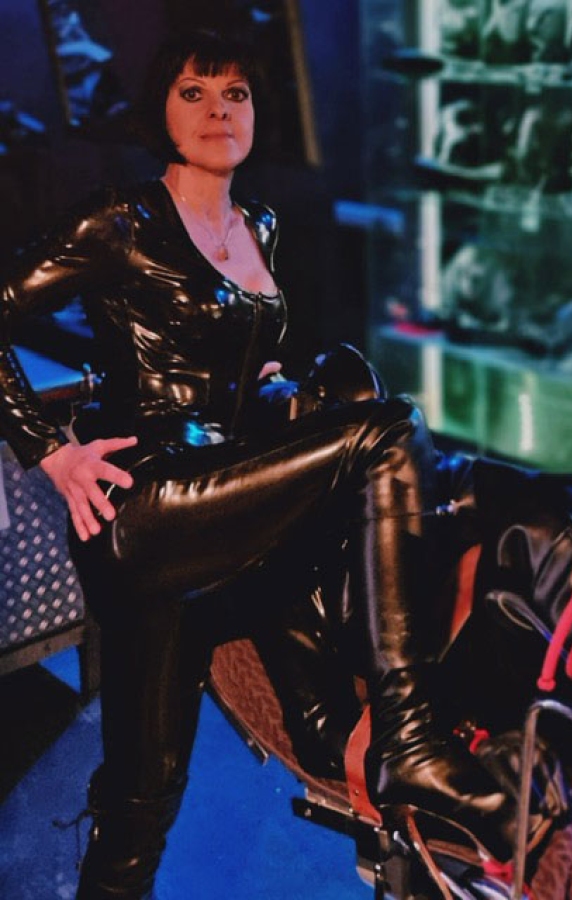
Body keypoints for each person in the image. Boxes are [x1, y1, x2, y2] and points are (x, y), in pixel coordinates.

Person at [0, 27, 527, 900]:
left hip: (225, 508)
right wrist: (51, 454)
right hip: (148, 509)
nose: (218, 110)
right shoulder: (119, 220)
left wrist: (260, 383)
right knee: (389, 430)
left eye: (235, 93)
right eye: (194, 92)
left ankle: (373, 731)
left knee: (141, 797)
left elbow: (218, 356)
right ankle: (409, 741)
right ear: (161, 109)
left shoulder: (262, 225)